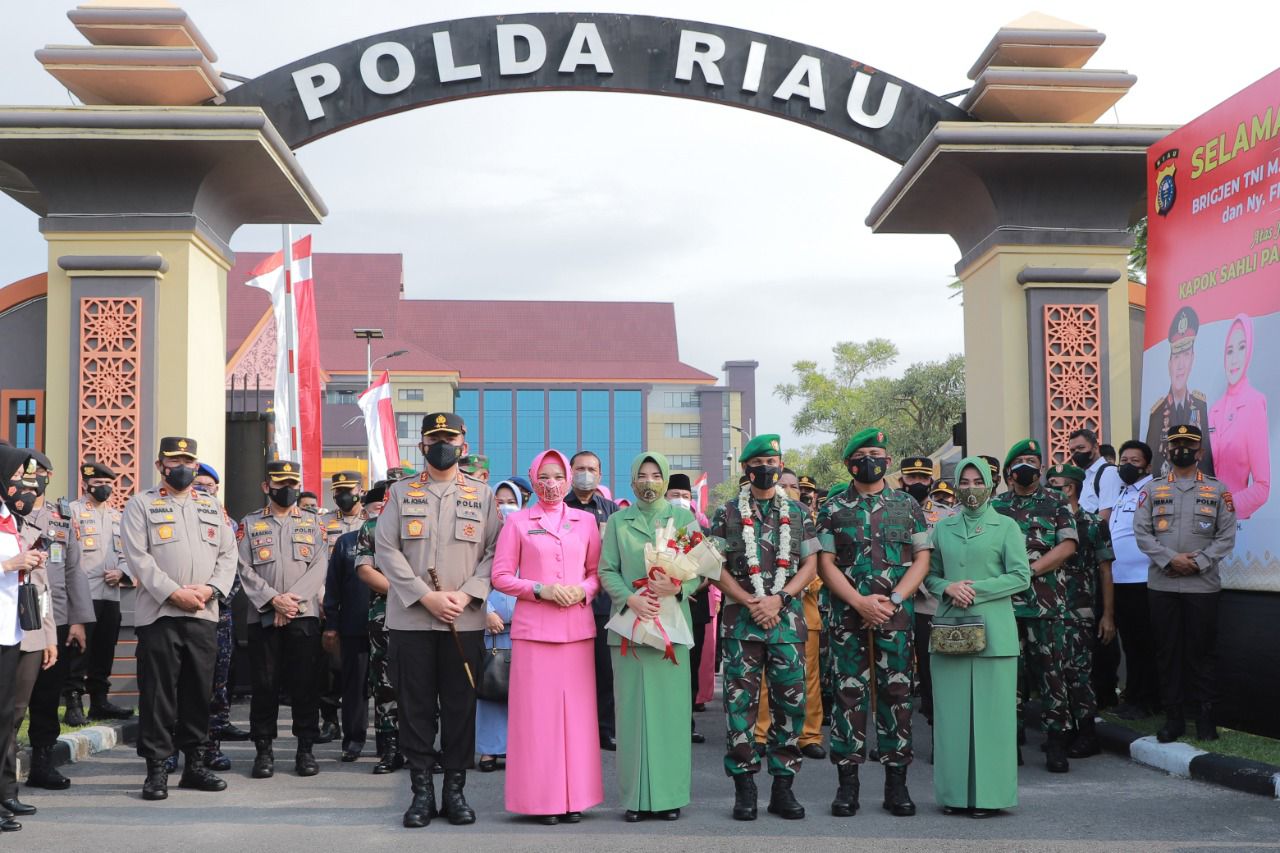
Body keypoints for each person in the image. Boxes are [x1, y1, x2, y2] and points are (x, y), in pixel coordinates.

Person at [376, 411, 498, 829]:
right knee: (416, 709)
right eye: (434, 438)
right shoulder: (400, 491)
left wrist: (465, 595)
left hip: (463, 622)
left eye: (449, 438)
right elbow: (386, 550)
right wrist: (425, 597)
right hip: (412, 620)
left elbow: (495, 554)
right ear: (422, 445)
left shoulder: (482, 496)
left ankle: (455, 792)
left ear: (463, 444)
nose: (442, 444)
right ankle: (422, 793)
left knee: (461, 707)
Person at [817, 431, 931, 818]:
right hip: (848, 616)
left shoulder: (907, 506)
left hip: (895, 617)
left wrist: (895, 599)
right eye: (863, 455)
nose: (871, 460)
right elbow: (825, 564)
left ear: (888, 459)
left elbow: (921, 559)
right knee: (848, 698)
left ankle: (896, 786)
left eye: (877, 454)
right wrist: (858, 601)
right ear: (849, 462)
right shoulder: (832, 508)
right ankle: (847, 786)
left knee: (897, 696)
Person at [708, 434, 819, 822]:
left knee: (791, 707)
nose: (768, 468)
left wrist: (780, 599)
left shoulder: (800, 513)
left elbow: (810, 565)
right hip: (743, 626)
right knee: (740, 709)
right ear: (746, 469)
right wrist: (749, 599)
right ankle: (745, 788)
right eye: (761, 462)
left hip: (787, 624)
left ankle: (783, 788)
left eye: (775, 461)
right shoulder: (727, 513)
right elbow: (713, 566)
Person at [120, 436, 236, 800]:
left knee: (198, 692)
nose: (183, 466)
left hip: (204, 612)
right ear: (160, 465)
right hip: (160, 614)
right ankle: (157, 770)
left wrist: (209, 590)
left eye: (188, 460)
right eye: (175, 460)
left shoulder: (211, 506)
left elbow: (228, 556)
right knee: (158, 695)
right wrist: (174, 593)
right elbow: (139, 557)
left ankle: (195, 766)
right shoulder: (141, 505)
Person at [491, 450, 602, 824]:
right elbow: (501, 576)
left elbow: (597, 573)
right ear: (533, 478)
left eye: (557, 476)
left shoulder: (585, 521)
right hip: (534, 633)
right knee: (537, 721)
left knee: (577, 720)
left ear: (568, 478)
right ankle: (541, 801)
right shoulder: (518, 522)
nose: (551, 484)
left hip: (576, 631)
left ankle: (576, 798)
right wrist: (541, 590)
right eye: (544, 476)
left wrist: (582, 590)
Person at [926, 457, 1031, 818]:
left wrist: (975, 590)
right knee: (952, 718)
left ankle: (990, 797)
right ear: (955, 486)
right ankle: (954, 795)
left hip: (995, 633)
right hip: (951, 631)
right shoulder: (942, 529)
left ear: (991, 484)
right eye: (964, 482)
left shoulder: (1006, 527)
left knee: (992, 720)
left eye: (977, 481)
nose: (971, 488)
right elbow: (930, 576)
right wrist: (948, 588)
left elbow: (1021, 576)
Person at [599, 451, 701, 822]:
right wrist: (631, 599)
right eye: (642, 475)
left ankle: (670, 795)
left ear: (666, 479)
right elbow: (606, 570)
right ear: (631, 480)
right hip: (629, 628)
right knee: (631, 716)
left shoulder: (683, 518)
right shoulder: (617, 522)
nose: (649, 481)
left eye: (655, 474)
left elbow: (700, 571)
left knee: (671, 716)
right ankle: (635, 799)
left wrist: (677, 587)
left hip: (671, 629)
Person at [1134, 424, 1236, 742]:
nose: (1181, 450)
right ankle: (1173, 718)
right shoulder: (1151, 490)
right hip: (1162, 586)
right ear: (1168, 450)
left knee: (1202, 654)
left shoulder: (1219, 491)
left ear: (1200, 453)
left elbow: (1226, 536)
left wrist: (1197, 563)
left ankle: (1205, 719)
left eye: (1188, 446)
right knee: (1167, 653)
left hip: (1202, 587)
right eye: (1176, 445)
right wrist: (1170, 559)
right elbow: (1142, 533)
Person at [991, 439, 1077, 772]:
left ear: (1041, 468)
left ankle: (1056, 742)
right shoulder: (996, 507)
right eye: (1021, 460)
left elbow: (1068, 545)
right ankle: (1009, 743)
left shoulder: (1055, 502)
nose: (1028, 465)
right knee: (1007, 677)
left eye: (1033, 460)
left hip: (1045, 604)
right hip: (1005, 608)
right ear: (1010, 469)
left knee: (1052, 675)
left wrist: (1027, 572)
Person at [238, 461, 328, 779]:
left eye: (292, 482)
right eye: (280, 483)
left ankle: (305, 750)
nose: (287, 488)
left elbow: (319, 565)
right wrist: (272, 600)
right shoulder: (249, 524)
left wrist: (290, 602)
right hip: (263, 616)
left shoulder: (313, 523)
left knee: (305, 686)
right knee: (265, 686)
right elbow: (243, 567)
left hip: (303, 617)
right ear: (267, 487)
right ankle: (264, 752)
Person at [21, 451, 93, 790]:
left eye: (39, 472)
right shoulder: (9, 514)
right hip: (15, 620)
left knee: (47, 698)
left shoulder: (63, 518)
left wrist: (78, 621)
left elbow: (74, 570)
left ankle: (42, 762)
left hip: (57, 619)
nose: (34, 479)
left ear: (48, 475)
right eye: (26, 472)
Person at [1044, 463, 1115, 758]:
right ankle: (1063, 731)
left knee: (1079, 673)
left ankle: (1087, 733)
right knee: (1053, 672)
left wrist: (1108, 616)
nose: (1047, 490)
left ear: (1069, 488)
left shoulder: (1092, 523)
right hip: (1048, 608)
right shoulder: (1045, 523)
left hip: (1079, 609)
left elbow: (1105, 569)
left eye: (1053, 484)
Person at [1, 450, 54, 827]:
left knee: (5, 719)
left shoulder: (9, 517)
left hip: (11, 630)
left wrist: (27, 562)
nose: (25, 481)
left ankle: (5, 795)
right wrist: (10, 564)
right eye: (18, 473)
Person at [63, 461, 133, 721]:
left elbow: (128, 554)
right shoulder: (71, 512)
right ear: (85, 485)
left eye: (108, 484)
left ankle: (99, 702)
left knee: (105, 650)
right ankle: (73, 704)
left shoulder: (118, 517)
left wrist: (123, 573)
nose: (104, 488)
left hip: (110, 595)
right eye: (98, 484)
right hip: (83, 595)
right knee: (79, 650)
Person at [324, 481, 386, 763]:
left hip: (390, 627)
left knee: (390, 688)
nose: (379, 513)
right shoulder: (347, 542)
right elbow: (333, 587)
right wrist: (332, 624)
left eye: (384, 508)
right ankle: (353, 740)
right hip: (354, 625)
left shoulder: (398, 540)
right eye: (375, 508)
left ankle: (389, 742)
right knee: (354, 687)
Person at [564, 450, 621, 752]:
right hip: (566, 601)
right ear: (570, 472)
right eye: (580, 468)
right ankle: (573, 729)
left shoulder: (612, 511)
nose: (586, 473)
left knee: (604, 671)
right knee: (572, 672)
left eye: (592, 469)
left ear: (600, 475)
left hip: (602, 604)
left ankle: (605, 729)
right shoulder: (558, 508)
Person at [192, 462, 247, 772]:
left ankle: (210, 747)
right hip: (180, 611)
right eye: (197, 485)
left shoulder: (229, 523)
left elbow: (234, 572)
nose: (202, 490)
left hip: (218, 615)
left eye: (207, 486)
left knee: (216, 685)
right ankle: (175, 748)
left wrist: (210, 596)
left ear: (216, 490)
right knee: (178, 686)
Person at [1107, 440, 1161, 719]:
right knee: (1130, 642)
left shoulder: (1153, 491)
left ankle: (1147, 700)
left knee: (1144, 643)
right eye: (1123, 460)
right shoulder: (1124, 492)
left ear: (1148, 466)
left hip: (1144, 579)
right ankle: (1133, 695)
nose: (1127, 465)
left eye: (1134, 461)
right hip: (1120, 580)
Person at [903, 456, 955, 728]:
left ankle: (940, 732)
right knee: (898, 672)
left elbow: (947, 560)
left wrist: (920, 586)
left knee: (934, 669)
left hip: (928, 603)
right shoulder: (891, 511)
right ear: (902, 480)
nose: (918, 483)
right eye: (912, 478)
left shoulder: (947, 516)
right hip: (896, 604)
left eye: (923, 478)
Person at [354, 489, 402, 775]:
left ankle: (421, 746)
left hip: (425, 614)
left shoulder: (426, 521)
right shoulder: (372, 527)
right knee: (384, 683)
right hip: (386, 614)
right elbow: (365, 570)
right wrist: (407, 593)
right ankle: (390, 747)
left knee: (423, 683)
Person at [477, 480, 522, 773]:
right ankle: (489, 750)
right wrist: (485, 612)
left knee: (521, 691)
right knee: (490, 686)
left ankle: (519, 748)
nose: (504, 506)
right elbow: (467, 577)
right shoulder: (481, 538)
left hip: (523, 628)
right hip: (489, 629)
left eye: (511, 500)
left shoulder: (527, 535)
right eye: (499, 500)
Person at [1208, 313, 1270, 520]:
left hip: (1235, 526)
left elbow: (1262, 487)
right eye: (1229, 350)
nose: (1234, 359)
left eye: (1242, 348)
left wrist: (1225, 508)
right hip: (1204, 524)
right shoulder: (1214, 410)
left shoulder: (1254, 403)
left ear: (1250, 351)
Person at [318, 471, 365, 746]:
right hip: (328, 601)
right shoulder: (323, 523)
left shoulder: (370, 522)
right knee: (330, 671)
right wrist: (321, 600)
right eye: (338, 491)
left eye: (348, 489)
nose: (343, 495)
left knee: (358, 674)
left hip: (360, 603)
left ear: (360, 490)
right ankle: (330, 720)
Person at [1147, 306, 1214, 476]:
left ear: (1192, 359)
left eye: (1185, 355)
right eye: (1176, 357)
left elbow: (1207, 462)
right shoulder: (1157, 413)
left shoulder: (1200, 406)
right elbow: (1152, 464)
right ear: (1169, 363)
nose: (1180, 365)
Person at [1068, 429, 1122, 523]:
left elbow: (1106, 518)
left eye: (1081, 448)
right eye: (1072, 450)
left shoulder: (1108, 472)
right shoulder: (1083, 476)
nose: (1076, 453)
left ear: (1096, 448)